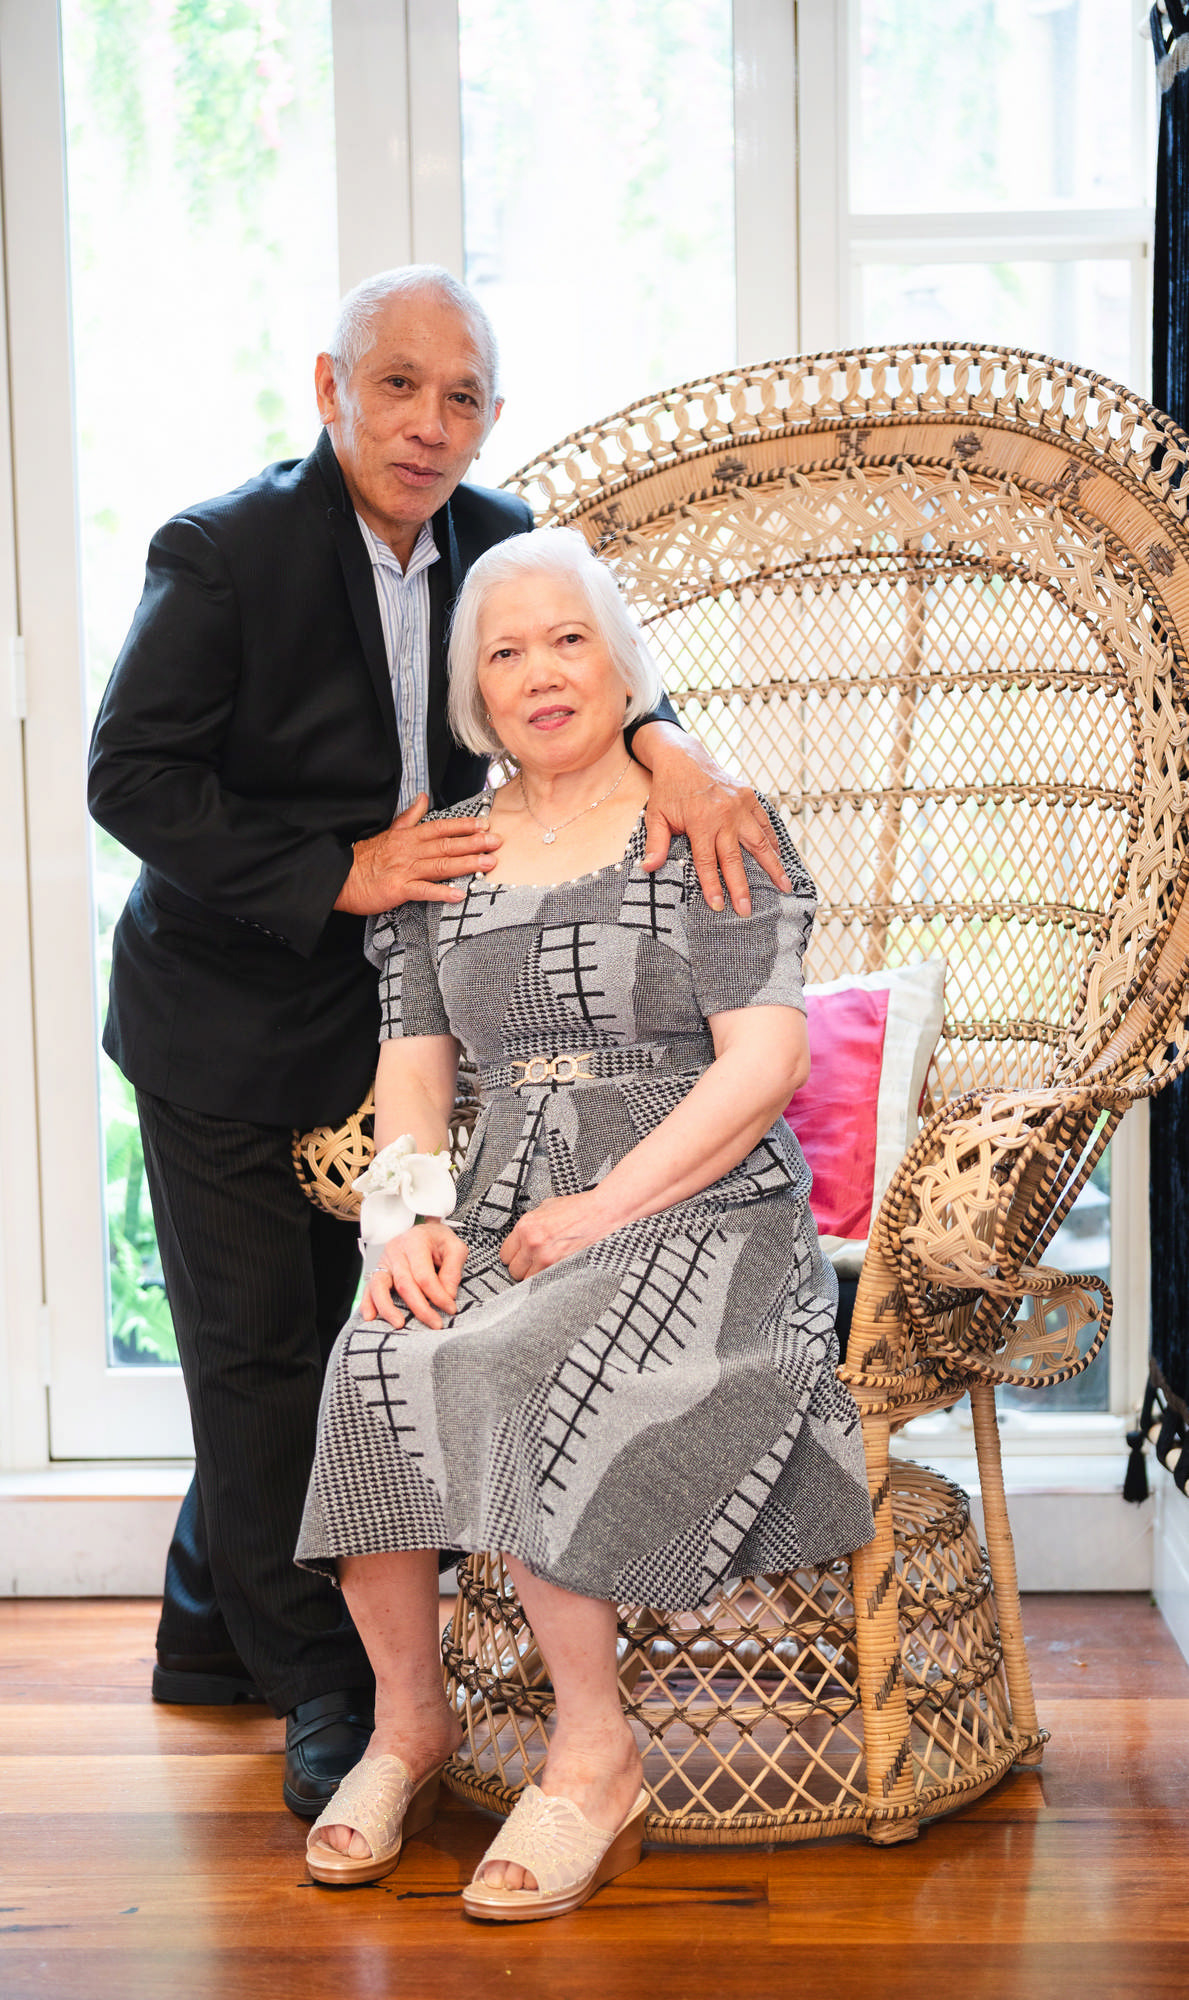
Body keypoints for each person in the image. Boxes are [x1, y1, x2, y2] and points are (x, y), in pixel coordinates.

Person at [87, 266, 794, 1820]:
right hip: (224, 1005)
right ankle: (327, 1695)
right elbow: (127, 776)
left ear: (489, 417)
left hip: (405, 1004)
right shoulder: (221, 553)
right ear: (329, 390)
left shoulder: (496, 534)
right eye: (396, 385)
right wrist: (336, 874)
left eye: (460, 397)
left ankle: (212, 1632)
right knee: (258, 1354)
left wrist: (672, 752)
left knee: (352, 1324)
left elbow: (598, 669)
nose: (427, 423)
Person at [295, 527, 875, 1920]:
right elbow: (414, 1075)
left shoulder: (703, 823)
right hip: (504, 1196)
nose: (541, 673)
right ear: (474, 693)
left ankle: (595, 1759)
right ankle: (408, 1724)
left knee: (518, 1357)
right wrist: (401, 1224)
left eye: (569, 641)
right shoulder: (448, 851)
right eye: (505, 652)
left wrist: (605, 1206)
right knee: (375, 1355)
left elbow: (763, 1065)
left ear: (623, 668)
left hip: (703, 1206)